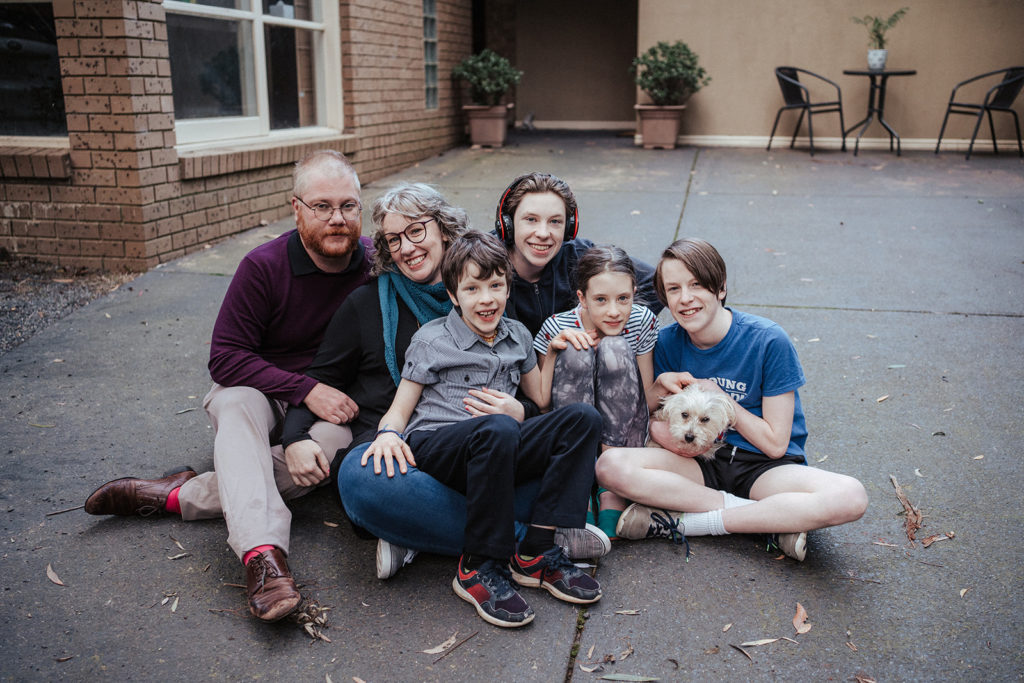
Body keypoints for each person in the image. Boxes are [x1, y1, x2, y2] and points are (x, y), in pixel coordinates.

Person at [83, 150, 372, 622]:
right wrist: (303, 389)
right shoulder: (264, 266)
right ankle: (263, 556)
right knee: (234, 404)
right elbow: (226, 357)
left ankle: (174, 495)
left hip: (327, 407)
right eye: (322, 206)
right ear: (296, 208)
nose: (336, 219)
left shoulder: (376, 266)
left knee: (334, 446)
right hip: (259, 392)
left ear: (361, 208)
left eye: (348, 206)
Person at [286, 183, 609, 581]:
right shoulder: (368, 306)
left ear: (443, 230)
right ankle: (527, 543)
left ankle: (417, 534)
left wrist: (520, 407)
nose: (406, 247)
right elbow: (323, 381)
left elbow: (533, 394)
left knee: (556, 434)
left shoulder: (500, 303)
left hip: (498, 447)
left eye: (416, 231)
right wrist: (295, 436)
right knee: (362, 479)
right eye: (394, 240)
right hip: (416, 448)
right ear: (457, 296)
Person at [362, 231, 603, 627]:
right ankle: (477, 566)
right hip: (440, 447)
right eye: (472, 288)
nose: (487, 298)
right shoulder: (432, 340)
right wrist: (388, 433)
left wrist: (553, 350)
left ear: (508, 288)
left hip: (499, 443)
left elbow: (540, 400)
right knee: (497, 428)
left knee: (582, 419)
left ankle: (536, 553)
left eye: (495, 285)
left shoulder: (519, 336)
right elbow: (400, 410)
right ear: (454, 295)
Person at [596, 238, 868, 561]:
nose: (685, 299)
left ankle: (693, 523)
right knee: (610, 466)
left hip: (763, 468)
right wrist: (659, 407)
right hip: (699, 462)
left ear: (721, 287)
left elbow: (776, 444)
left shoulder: (767, 340)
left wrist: (724, 400)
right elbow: (657, 423)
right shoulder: (667, 343)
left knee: (851, 496)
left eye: (696, 284)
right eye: (673, 289)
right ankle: (769, 519)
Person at [534, 244, 659, 540]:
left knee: (615, 346)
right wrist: (556, 349)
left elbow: (644, 396)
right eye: (601, 300)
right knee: (577, 351)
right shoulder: (558, 325)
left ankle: (610, 488)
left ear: (634, 294)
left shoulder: (640, 321)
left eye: (623, 299)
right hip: (572, 436)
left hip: (624, 436)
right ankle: (579, 480)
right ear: (583, 298)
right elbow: (543, 406)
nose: (614, 311)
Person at [494, 171, 661, 337]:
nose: (543, 233)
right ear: (507, 224)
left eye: (555, 221)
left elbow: (654, 281)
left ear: (569, 227)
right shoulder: (483, 261)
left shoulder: (578, 254)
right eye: (531, 219)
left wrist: (609, 326)